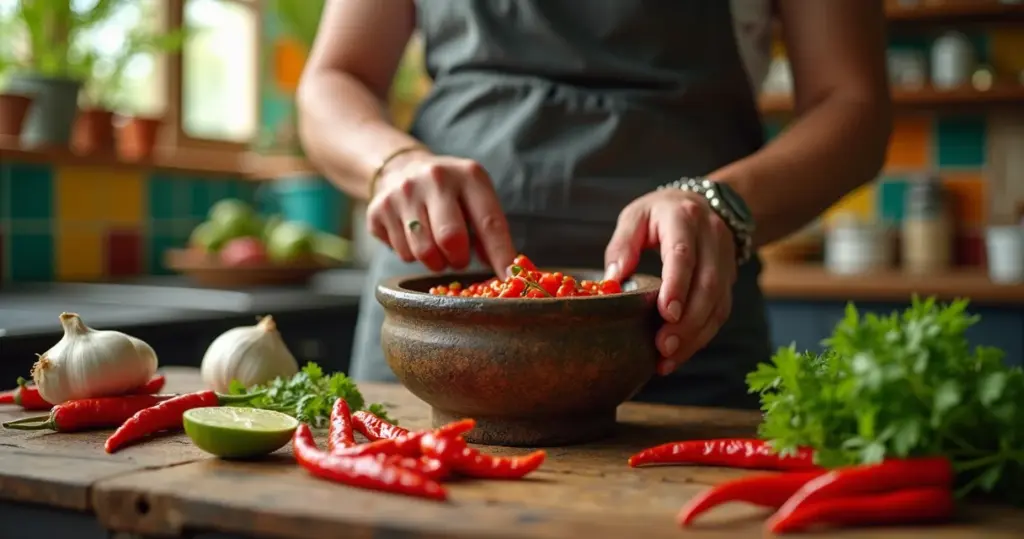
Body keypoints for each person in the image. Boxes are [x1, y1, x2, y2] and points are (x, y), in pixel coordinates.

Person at [297, 0, 892, 409]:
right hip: (433, 330)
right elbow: (333, 79)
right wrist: (392, 162)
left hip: (676, 330)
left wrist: (718, 203)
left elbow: (855, 106)